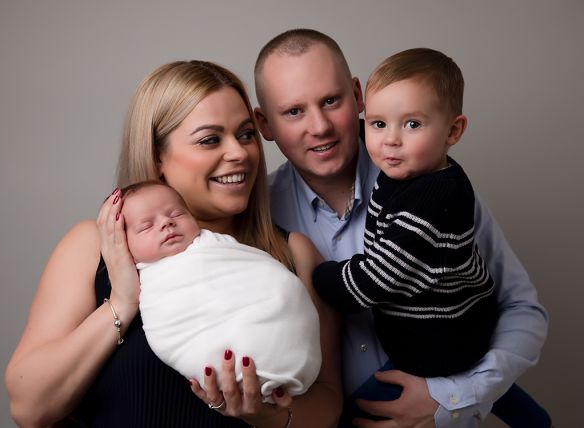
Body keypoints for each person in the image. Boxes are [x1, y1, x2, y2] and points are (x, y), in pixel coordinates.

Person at [5, 60, 342, 428]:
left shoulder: (293, 253)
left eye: (246, 134)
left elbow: (327, 402)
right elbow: (29, 407)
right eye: (210, 139)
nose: (240, 153)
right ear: (157, 157)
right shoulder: (94, 246)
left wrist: (267, 417)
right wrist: (121, 301)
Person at [253, 29, 549, 427]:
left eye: (330, 101)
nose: (319, 126)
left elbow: (522, 309)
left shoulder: (433, 184)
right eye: (293, 111)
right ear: (264, 123)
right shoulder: (259, 219)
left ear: (358, 95)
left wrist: (452, 400)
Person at [313, 47, 498, 379]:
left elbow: (375, 280)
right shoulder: (412, 170)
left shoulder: (432, 198)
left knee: (366, 408)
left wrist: (318, 277)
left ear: (453, 132)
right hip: (440, 329)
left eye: (413, 124)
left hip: (442, 343)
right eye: (379, 123)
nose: (390, 140)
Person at [120, 180, 321, 401]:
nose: (167, 223)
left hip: (274, 323)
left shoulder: (218, 247)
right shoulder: (146, 281)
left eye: (177, 214)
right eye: (146, 226)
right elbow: (170, 326)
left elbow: (267, 280)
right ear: (123, 243)